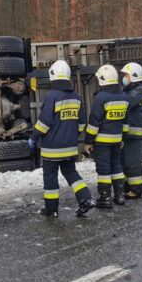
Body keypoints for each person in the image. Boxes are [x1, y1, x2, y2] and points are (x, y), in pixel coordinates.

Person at [29, 60, 95, 218]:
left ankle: (51, 209)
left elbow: (44, 123)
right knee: (71, 173)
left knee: (50, 178)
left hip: (52, 149)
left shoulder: (51, 96)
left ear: (53, 76)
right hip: (70, 147)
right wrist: (71, 136)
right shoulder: (77, 97)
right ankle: (86, 198)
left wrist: (33, 137)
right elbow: (81, 124)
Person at [84, 65, 129, 208]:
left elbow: (94, 123)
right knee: (116, 166)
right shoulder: (124, 97)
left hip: (102, 141)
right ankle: (119, 196)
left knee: (104, 169)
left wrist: (88, 142)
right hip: (117, 139)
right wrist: (122, 138)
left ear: (102, 79)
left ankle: (105, 198)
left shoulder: (101, 97)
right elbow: (126, 122)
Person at [120, 62, 142, 199]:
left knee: (133, 163)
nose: (124, 78)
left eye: (126, 75)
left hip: (135, 133)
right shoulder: (128, 90)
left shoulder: (140, 90)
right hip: (128, 133)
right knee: (125, 162)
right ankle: (127, 187)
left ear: (134, 76)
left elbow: (126, 103)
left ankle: (136, 189)